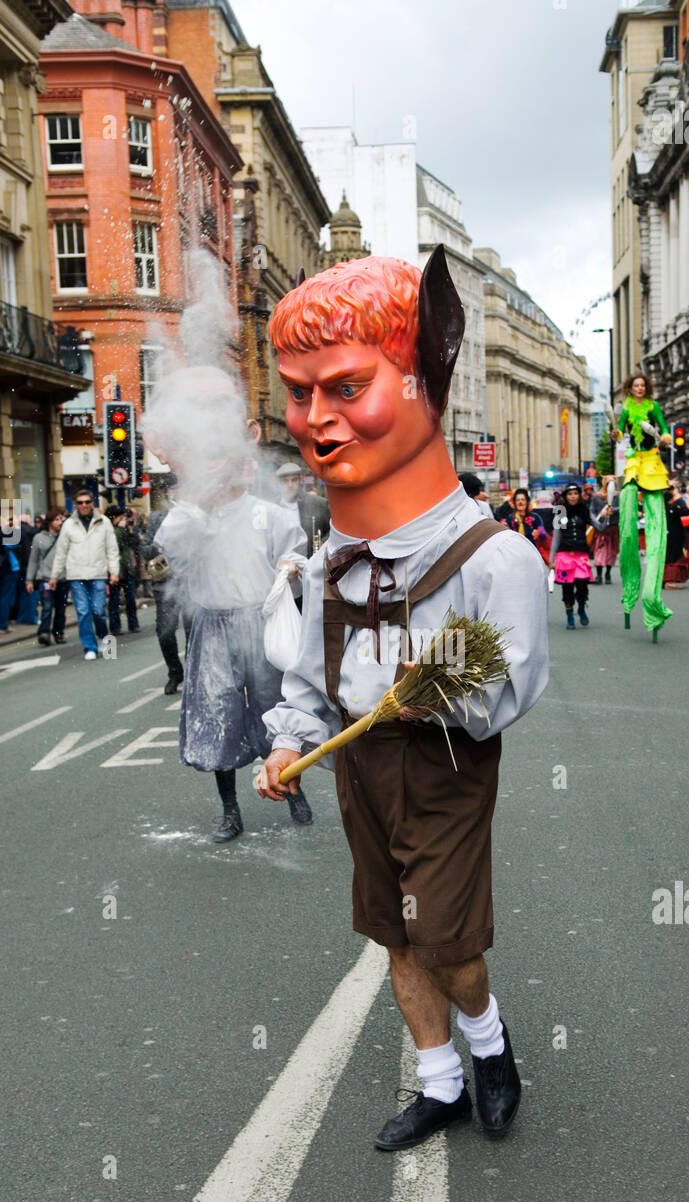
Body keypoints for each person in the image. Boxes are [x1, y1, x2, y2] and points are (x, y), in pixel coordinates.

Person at [258, 250, 549, 1151]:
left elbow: (506, 685)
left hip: (446, 766)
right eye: (301, 394)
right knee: (392, 932)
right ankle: (438, 1082)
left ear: (424, 376)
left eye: (345, 387)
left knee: (446, 942)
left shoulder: (496, 557)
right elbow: (307, 676)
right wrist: (288, 740)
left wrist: (429, 695)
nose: (315, 421)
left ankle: (489, 1045)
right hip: (358, 760)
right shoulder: (328, 557)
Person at [143, 365, 311, 841]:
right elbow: (173, 549)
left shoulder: (269, 514)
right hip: (212, 626)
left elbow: (294, 553)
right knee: (218, 714)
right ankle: (229, 810)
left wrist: (290, 570)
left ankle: (294, 790)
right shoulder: (189, 517)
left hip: (259, 623)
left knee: (274, 706)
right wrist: (196, 502)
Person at [612, 372, 673, 636]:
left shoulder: (653, 406)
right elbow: (618, 435)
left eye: (642, 385)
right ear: (630, 388)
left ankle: (652, 599)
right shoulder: (625, 408)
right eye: (635, 385)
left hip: (652, 459)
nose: (638, 388)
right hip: (634, 458)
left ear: (646, 388)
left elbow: (663, 426)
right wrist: (615, 433)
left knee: (657, 522)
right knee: (627, 524)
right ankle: (630, 593)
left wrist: (667, 436)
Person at [49, 490, 119, 660]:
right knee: (83, 612)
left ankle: (104, 639)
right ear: (75, 505)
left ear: (92, 503)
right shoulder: (68, 525)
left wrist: (114, 572)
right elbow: (61, 552)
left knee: (98, 611)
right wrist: (54, 575)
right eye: (80, 502)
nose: (84, 505)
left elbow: (112, 549)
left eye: (87, 502)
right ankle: (90, 647)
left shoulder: (105, 523)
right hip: (76, 575)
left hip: (98, 573)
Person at [141, 478, 190, 695]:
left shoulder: (194, 515)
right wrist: (162, 542)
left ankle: (192, 675)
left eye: (178, 488)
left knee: (194, 633)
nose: (175, 493)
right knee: (165, 633)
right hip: (166, 582)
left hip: (191, 581)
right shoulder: (157, 518)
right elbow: (146, 549)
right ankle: (175, 672)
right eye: (171, 489)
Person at [549, 482, 592, 627]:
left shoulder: (584, 510)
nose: (573, 497)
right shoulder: (560, 512)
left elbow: (599, 527)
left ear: (579, 495)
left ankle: (581, 608)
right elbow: (556, 538)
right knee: (567, 587)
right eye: (570, 494)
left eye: (575, 494)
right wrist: (551, 561)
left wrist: (606, 516)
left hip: (581, 554)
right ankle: (570, 617)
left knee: (582, 585)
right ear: (565, 497)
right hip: (564, 554)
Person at [26, 509, 68, 646]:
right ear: (49, 522)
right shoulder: (38, 538)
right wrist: (29, 580)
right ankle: (44, 633)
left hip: (62, 578)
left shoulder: (65, 536)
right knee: (47, 607)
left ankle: (58, 633)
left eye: (60, 519)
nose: (59, 522)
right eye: (56, 519)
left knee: (61, 608)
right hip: (44, 578)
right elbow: (33, 560)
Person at [276, 461, 331, 557]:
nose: (290, 485)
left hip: (309, 564)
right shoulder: (271, 506)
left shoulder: (318, 503)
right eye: (285, 481)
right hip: (280, 564)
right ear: (280, 483)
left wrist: (324, 543)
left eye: (294, 480)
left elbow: (334, 530)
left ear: (300, 480)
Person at [105, 506, 140, 635]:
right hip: (115, 570)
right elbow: (116, 545)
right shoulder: (109, 529)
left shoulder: (123, 529)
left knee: (131, 598)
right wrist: (120, 528)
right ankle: (115, 627)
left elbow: (135, 543)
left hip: (127, 568)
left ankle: (133, 624)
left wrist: (130, 530)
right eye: (120, 517)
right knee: (114, 600)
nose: (123, 520)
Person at [502, 487, 550, 565]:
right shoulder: (510, 518)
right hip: (515, 555)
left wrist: (539, 532)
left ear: (527, 502)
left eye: (523, 500)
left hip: (533, 554)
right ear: (514, 502)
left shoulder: (535, 517)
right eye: (518, 500)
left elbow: (544, 535)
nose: (520, 502)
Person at [589, 476, 619, 584]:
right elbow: (591, 511)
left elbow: (622, 508)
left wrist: (613, 511)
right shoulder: (597, 497)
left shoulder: (617, 497)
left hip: (613, 527)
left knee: (612, 552)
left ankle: (608, 573)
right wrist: (597, 520)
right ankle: (599, 574)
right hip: (601, 529)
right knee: (600, 552)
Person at [663, 486, 689, 588]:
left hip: (665, 535)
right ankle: (669, 581)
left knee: (667, 557)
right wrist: (680, 500)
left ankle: (664, 580)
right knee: (673, 558)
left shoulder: (661, 508)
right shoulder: (673, 508)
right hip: (675, 536)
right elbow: (685, 511)